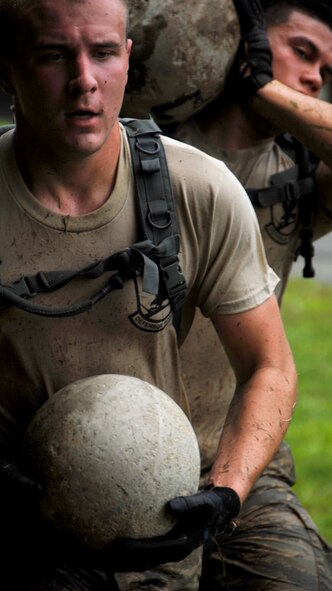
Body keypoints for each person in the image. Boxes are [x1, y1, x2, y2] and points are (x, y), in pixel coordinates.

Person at [0, 0, 297, 589]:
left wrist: (227, 491)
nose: (85, 82)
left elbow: (270, 366)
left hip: (155, 555)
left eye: (103, 53)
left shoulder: (198, 191)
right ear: (6, 71)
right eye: (55, 56)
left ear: (127, 59)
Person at [171, 0, 332, 588]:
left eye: (325, 71)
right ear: (248, 46)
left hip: (244, 457)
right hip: (132, 446)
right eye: (302, 52)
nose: (316, 78)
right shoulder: (148, 146)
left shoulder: (296, 172)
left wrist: (267, 89)